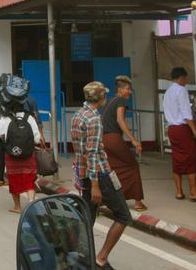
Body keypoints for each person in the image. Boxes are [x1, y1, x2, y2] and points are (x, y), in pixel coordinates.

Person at [72, 81, 132, 270]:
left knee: (88, 217)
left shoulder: (78, 115)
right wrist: (96, 184)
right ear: (101, 98)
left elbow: (81, 151)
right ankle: (101, 258)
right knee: (123, 216)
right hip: (99, 174)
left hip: (84, 175)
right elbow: (92, 153)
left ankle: (79, 258)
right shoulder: (94, 119)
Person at [102, 76, 146, 211]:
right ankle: (138, 202)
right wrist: (133, 139)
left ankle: (107, 199)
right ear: (120, 90)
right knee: (132, 165)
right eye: (127, 89)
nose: (129, 92)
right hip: (114, 138)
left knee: (113, 169)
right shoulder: (120, 100)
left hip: (105, 138)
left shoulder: (111, 101)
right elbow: (120, 121)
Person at [163, 67, 196, 202]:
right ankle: (193, 191)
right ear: (181, 78)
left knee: (177, 158)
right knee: (191, 156)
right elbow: (186, 111)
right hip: (182, 128)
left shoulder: (168, 91)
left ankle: (179, 191)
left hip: (172, 128)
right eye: (185, 78)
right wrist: (194, 128)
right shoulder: (181, 90)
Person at [1, 103, 43, 213]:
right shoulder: (30, 118)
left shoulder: (6, 118)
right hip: (28, 154)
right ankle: (30, 203)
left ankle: (17, 207)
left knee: (14, 179)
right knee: (29, 179)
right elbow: (37, 139)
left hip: (12, 155)